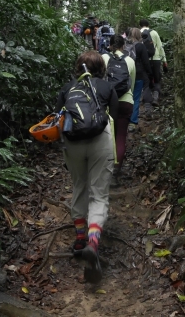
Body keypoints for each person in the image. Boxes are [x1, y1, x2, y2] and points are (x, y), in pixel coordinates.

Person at [54, 50, 118, 283]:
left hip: (73, 143)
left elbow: (59, 119)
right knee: (98, 194)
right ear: (101, 67)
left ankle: (80, 238)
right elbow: (115, 115)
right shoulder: (106, 87)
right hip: (101, 141)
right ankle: (93, 240)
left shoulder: (67, 88)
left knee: (79, 185)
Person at [101, 34, 136, 176]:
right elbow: (131, 84)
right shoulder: (130, 61)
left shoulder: (103, 58)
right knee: (120, 136)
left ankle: (105, 170)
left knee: (105, 137)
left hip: (107, 102)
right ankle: (116, 171)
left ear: (110, 45)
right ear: (123, 46)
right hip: (125, 101)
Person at [127, 27, 152, 133]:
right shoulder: (141, 46)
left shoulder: (126, 45)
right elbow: (146, 62)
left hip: (126, 74)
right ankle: (132, 123)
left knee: (126, 97)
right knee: (136, 98)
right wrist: (150, 73)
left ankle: (124, 120)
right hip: (138, 74)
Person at [140, 19, 167, 106]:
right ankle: (155, 98)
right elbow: (160, 47)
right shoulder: (154, 33)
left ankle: (146, 101)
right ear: (149, 25)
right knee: (157, 80)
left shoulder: (137, 33)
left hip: (144, 61)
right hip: (156, 59)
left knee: (146, 81)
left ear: (140, 25)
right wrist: (164, 61)